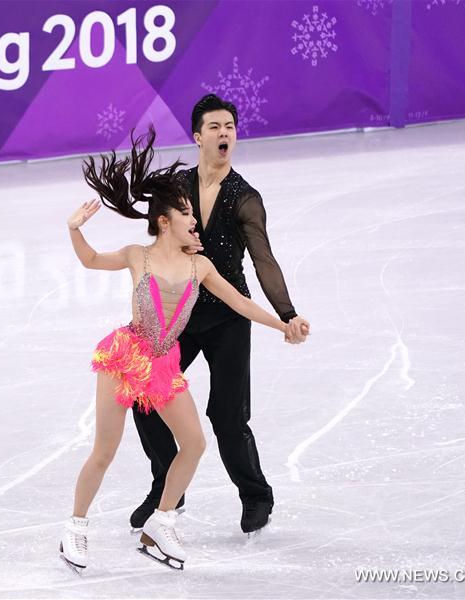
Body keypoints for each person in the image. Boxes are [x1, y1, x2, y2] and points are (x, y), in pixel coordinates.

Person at [59, 127, 298, 573]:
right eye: (187, 215)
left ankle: (161, 523)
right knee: (105, 451)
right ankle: (75, 526)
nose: (195, 221)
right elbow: (91, 260)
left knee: (193, 443)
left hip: (164, 363)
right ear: (165, 223)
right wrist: (74, 228)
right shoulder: (136, 255)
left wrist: (283, 322)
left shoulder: (200, 265)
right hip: (126, 357)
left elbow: (241, 302)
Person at [129, 94, 311, 537]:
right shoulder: (178, 191)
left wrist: (286, 314)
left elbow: (263, 259)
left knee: (227, 417)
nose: (224, 132)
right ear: (198, 136)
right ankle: (168, 487)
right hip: (183, 315)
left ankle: (256, 496)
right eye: (214, 126)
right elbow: (158, 239)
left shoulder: (244, 197)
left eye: (229, 125)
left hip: (229, 316)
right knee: (144, 400)